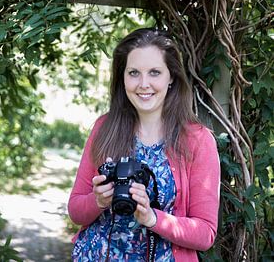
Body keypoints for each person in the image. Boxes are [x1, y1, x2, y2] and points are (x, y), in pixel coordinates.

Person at [68, 28, 220, 261]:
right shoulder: (105, 127)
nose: (143, 83)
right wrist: (97, 201)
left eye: (155, 72)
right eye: (134, 73)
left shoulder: (197, 140)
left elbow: (205, 233)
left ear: (172, 77)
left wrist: (152, 219)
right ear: (123, 78)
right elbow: (76, 211)